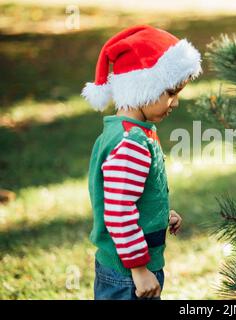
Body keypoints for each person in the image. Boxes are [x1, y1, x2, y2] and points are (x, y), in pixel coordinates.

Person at [81, 25, 202, 300]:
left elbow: (131, 195)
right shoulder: (131, 143)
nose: (175, 103)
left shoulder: (125, 131)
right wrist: (139, 269)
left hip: (128, 266)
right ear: (144, 86)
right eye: (171, 92)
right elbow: (120, 211)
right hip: (128, 275)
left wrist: (159, 216)